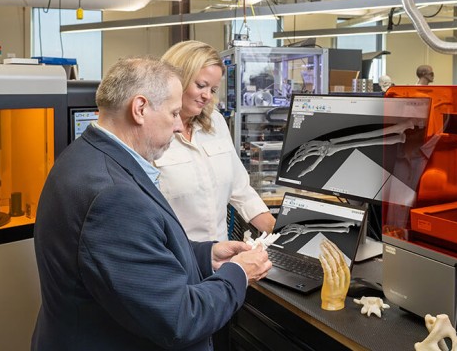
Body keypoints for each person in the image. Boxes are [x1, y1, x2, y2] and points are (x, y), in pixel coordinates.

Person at [31, 57, 272, 351]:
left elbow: (135, 261)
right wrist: (238, 273)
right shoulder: (113, 198)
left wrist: (205, 256)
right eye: (173, 113)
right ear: (140, 109)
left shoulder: (86, 155)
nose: (177, 126)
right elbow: (180, 320)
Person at [156, 40, 276, 243]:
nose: (207, 97)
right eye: (201, 85)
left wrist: (281, 234)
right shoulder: (152, 130)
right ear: (176, 79)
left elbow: (241, 191)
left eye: (212, 90)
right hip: (175, 257)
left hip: (220, 255)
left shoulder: (216, 122)